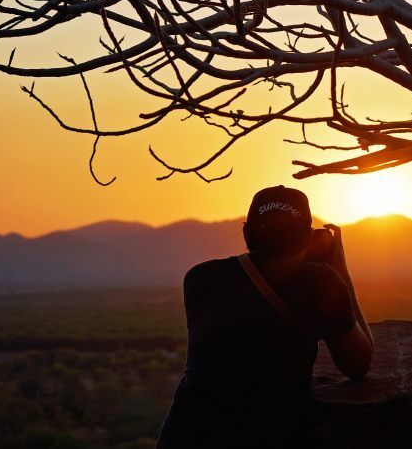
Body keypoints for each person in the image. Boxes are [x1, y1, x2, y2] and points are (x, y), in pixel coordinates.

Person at [156, 185, 374, 448]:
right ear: (308, 237)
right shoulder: (320, 282)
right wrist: (339, 269)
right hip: (267, 435)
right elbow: (358, 364)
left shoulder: (200, 278)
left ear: (246, 233)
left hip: (187, 433)